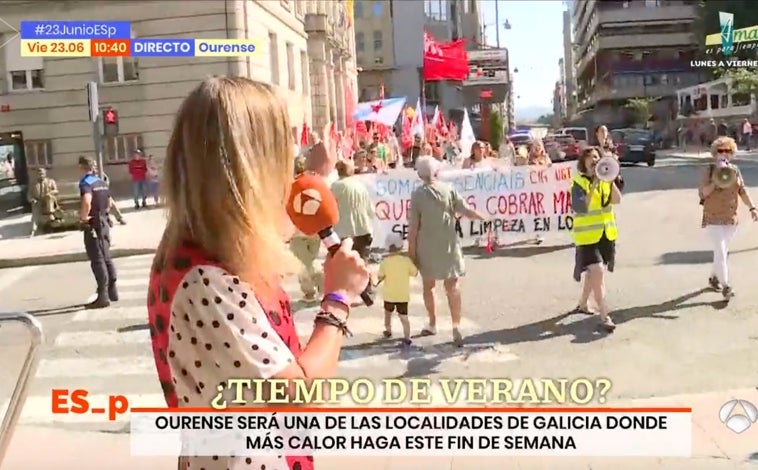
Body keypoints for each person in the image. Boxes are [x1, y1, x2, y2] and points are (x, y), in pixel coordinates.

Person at [145, 77, 369, 470]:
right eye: (283, 154)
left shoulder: (197, 242)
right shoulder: (207, 280)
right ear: (252, 167)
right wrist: (338, 299)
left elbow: (275, 224)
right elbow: (300, 395)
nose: (290, 168)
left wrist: (318, 179)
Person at [408, 156, 487, 346]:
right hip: (449, 244)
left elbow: (413, 227)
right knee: (452, 286)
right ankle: (456, 325)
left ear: (420, 173)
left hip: (426, 246)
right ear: (436, 171)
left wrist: (411, 252)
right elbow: (465, 209)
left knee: (429, 286)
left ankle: (433, 322)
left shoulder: (418, 195)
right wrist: (483, 217)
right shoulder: (449, 189)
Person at [569, 147, 622, 332]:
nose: (594, 160)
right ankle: (604, 315)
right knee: (598, 271)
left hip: (605, 234)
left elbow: (617, 200)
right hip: (586, 236)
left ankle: (583, 304)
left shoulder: (606, 181)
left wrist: (611, 178)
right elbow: (582, 207)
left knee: (594, 274)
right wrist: (594, 184)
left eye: (597, 157)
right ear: (583, 163)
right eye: (590, 157)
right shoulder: (578, 183)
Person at [698, 136, 758, 299]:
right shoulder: (709, 170)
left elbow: (742, 191)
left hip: (731, 217)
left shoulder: (735, 170)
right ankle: (726, 285)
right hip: (713, 217)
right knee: (721, 250)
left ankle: (714, 277)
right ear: (714, 153)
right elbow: (702, 193)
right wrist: (716, 182)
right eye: (720, 151)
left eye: (728, 151)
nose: (724, 154)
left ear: (732, 153)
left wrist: (752, 207)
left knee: (722, 251)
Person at [78, 156, 119, 309]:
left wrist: (83, 218)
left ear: (81, 167)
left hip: (94, 223)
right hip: (104, 221)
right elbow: (109, 202)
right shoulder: (101, 182)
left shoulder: (86, 183)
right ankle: (112, 291)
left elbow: (87, 201)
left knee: (97, 259)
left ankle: (103, 296)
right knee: (107, 256)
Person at [289, 156, 323, 301]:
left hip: (298, 230)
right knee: (310, 260)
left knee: (305, 262)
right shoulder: (316, 183)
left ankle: (320, 287)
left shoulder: (292, 185)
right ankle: (311, 290)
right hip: (315, 228)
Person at [378, 233, 418, 348]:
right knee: (404, 317)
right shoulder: (406, 261)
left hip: (389, 294)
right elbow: (414, 273)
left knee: (388, 313)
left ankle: (388, 330)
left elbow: (380, 276)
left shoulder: (385, 262)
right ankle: (407, 337)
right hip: (402, 295)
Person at [331, 160, 375, 263]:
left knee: (344, 266)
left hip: (343, 232)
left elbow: (329, 208)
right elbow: (371, 211)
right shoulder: (361, 186)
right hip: (363, 230)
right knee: (362, 265)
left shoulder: (335, 187)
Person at [28, 168, 59, 237]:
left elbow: (56, 191)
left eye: (42, 174)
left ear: (45, 174)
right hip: (38, 201)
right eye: (39, 174)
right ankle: (33, 230)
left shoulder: (51, 181)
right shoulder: (33, 184)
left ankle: (50, 214)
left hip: (49, 201)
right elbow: (29, 195)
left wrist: (50, 193)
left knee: (49, 197)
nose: (41, 175)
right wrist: (32, 199)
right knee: (35, 210)